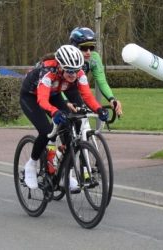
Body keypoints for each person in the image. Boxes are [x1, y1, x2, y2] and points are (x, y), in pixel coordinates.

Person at [20, 45, 109, 190]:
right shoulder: (48, 71)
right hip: (31, 96)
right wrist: (54, 112)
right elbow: (42, 100)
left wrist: (99, 109)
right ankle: (31, 164)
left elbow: (86, 95)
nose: (73, 74)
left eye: (76, 70)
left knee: (70, 130)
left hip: (54, 95)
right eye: (69, 71)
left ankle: (65, 175)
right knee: (46, 130)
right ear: (60, 66)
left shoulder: (78, 73)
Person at [67, 27, 123, 115]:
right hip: (57, 91)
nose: (89, 52)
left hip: (78, 92)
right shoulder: (65, 58)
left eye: (91, 47)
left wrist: (112, 99)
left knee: (82, 122)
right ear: (74, 47)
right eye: (84, 48)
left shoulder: (94, 58)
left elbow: (102, 81)